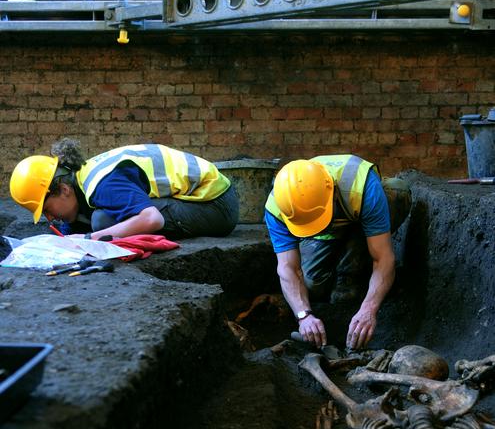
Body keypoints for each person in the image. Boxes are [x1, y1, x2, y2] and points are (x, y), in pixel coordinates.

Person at [264, 155, 411, 350]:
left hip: (358, 215)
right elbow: (288, 267)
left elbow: (383, 258)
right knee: (311, 286)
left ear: (331, 191)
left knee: (395, 192)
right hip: (324, 233)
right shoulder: (278, 206)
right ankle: (339, 254)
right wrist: (303, 316)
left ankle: (358, 270)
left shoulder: (362, 187)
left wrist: (369, 309)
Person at [9, 139, 239, 240]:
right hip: (204, 200)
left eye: (46, 209)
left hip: (216, 206)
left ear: (63, 189)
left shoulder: (103, 184)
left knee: (102, 222)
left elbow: (152, 219)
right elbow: (72, 226)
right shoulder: (79, 180)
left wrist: (90, 237)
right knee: (97, 220)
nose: (49, 218)